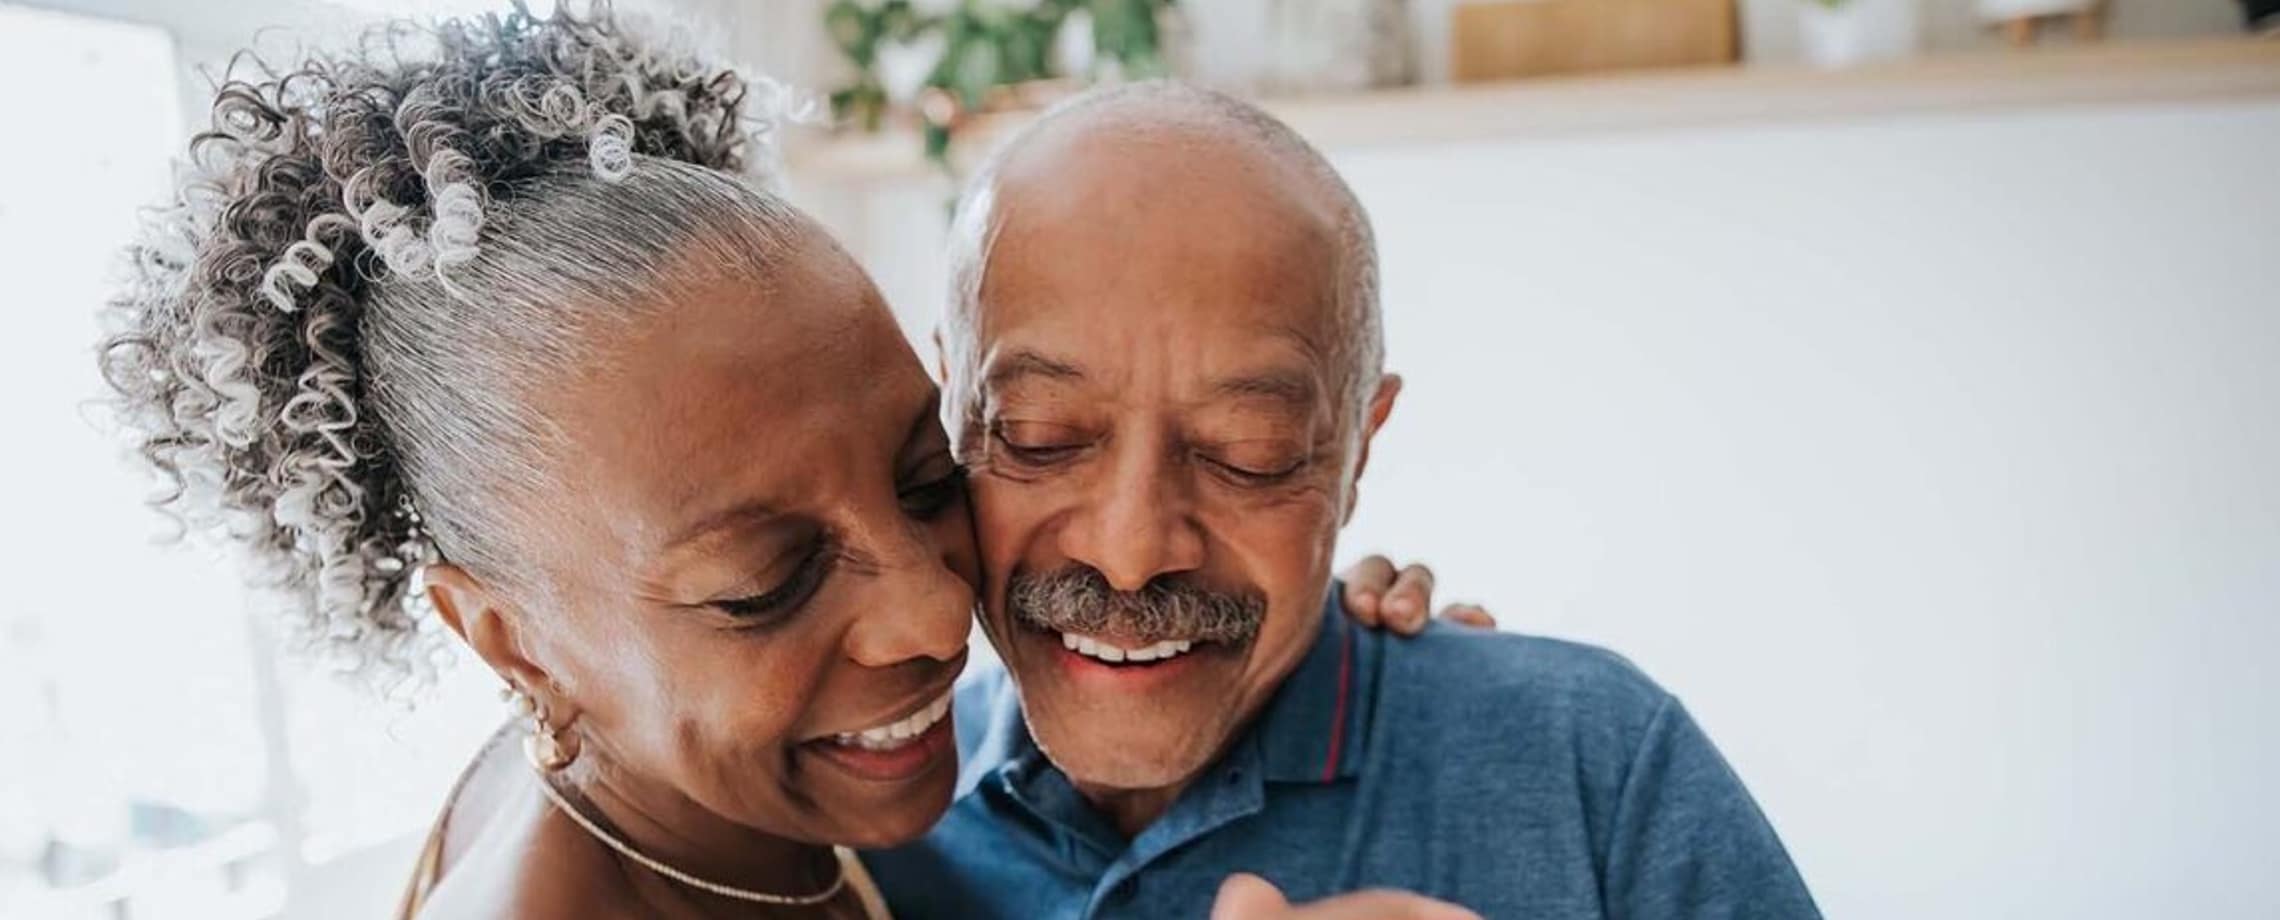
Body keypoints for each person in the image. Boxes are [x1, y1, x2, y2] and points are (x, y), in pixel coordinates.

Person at [95, 6, 1471, 918]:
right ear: (507, 638)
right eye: (767, 580)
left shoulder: (698, 782)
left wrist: (1277, 600)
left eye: (927, 476)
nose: (942, 616)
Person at [864, 82, 1823, 919]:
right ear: (953, 408)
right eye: (1041, 438)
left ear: (1358, 446)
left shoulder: (1593, 765)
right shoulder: (858, 841)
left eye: (1251, 455)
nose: (1130, 550)